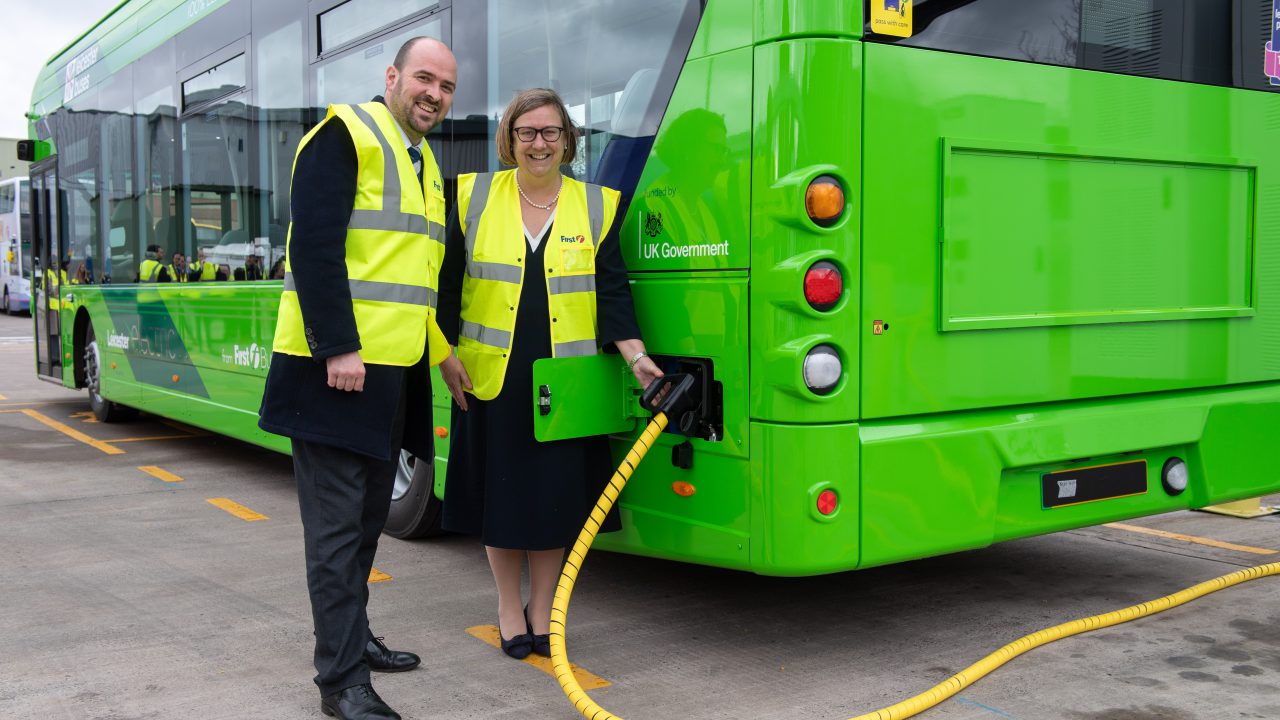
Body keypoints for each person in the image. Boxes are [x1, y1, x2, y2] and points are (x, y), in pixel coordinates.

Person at [258, 36, 460, 720]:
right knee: (338, 532)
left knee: (369, 522)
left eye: (447, 87)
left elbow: (412, 284)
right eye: (424, 79)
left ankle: (355, 639)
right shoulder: (346, 133)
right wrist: (337, 346)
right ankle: (340, 683)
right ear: (393, 77)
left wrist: (441, 353)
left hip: (391, 377)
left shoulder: (426, 164)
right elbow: (314, 245)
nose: (434, 94)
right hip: (334, 374)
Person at [437, 88, 662, 661]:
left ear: (568, 139)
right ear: (509, 140)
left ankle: (544, 607)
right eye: (527, 133)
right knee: (502, 498)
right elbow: (443, 286)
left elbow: (612, 296)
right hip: (492, 375)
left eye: (551, 132)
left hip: (565, 381)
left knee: (553, 500)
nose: (539, 143)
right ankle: (507, 607)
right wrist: (441, 354)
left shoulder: (599, 205)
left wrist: (637, 359)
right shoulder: (470, 196)